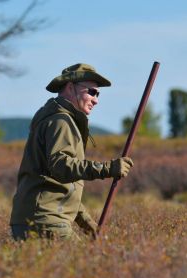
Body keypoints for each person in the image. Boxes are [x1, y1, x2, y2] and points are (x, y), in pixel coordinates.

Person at [9, 63, 134, 241]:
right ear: (70, 87)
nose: (96, 99)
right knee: (86, 267)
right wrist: (108, 168)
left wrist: (87, 224)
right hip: (46, 221)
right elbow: (61, 166)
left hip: (35, 218)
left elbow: (61, 187)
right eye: (91, 92)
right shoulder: (61, 121)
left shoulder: (56, 119)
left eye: (98, 94)